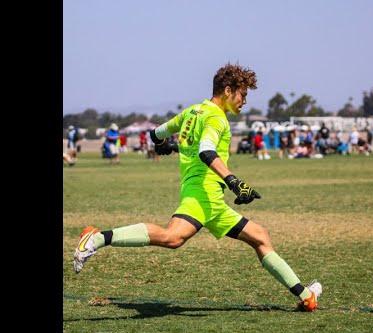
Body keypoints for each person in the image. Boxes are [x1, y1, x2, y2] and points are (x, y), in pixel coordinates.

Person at [73, 63, 321, 312]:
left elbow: (156, 133)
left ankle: (305, 295)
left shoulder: (192, 112)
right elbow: (206, 151)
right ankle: (98, 238)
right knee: (172, 237)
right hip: (203, 194)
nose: (244, 101)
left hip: (210, 199)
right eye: (242, 94)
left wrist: (167, 145)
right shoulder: (217, 118)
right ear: (227, 90)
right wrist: (235, 183)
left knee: (260, 237)